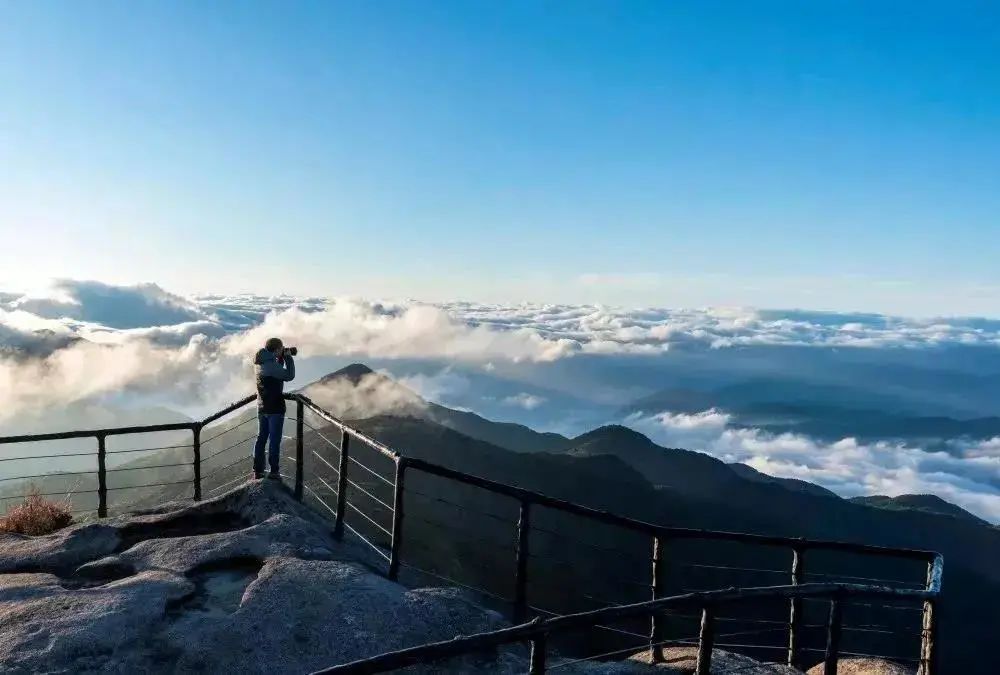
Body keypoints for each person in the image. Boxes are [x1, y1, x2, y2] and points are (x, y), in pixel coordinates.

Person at [252, 337, 296, 479]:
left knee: (261, 438)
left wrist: (280, 358)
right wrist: (288, 358)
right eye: (281, 349)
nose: (282, 350)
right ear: (277, 349)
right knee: (274, 440)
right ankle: (274, 472)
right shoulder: (271, 365)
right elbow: (289, 375)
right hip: (275, 408)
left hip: (262, 406)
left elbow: (274, 373)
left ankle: (258, 470)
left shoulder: (261, 361)